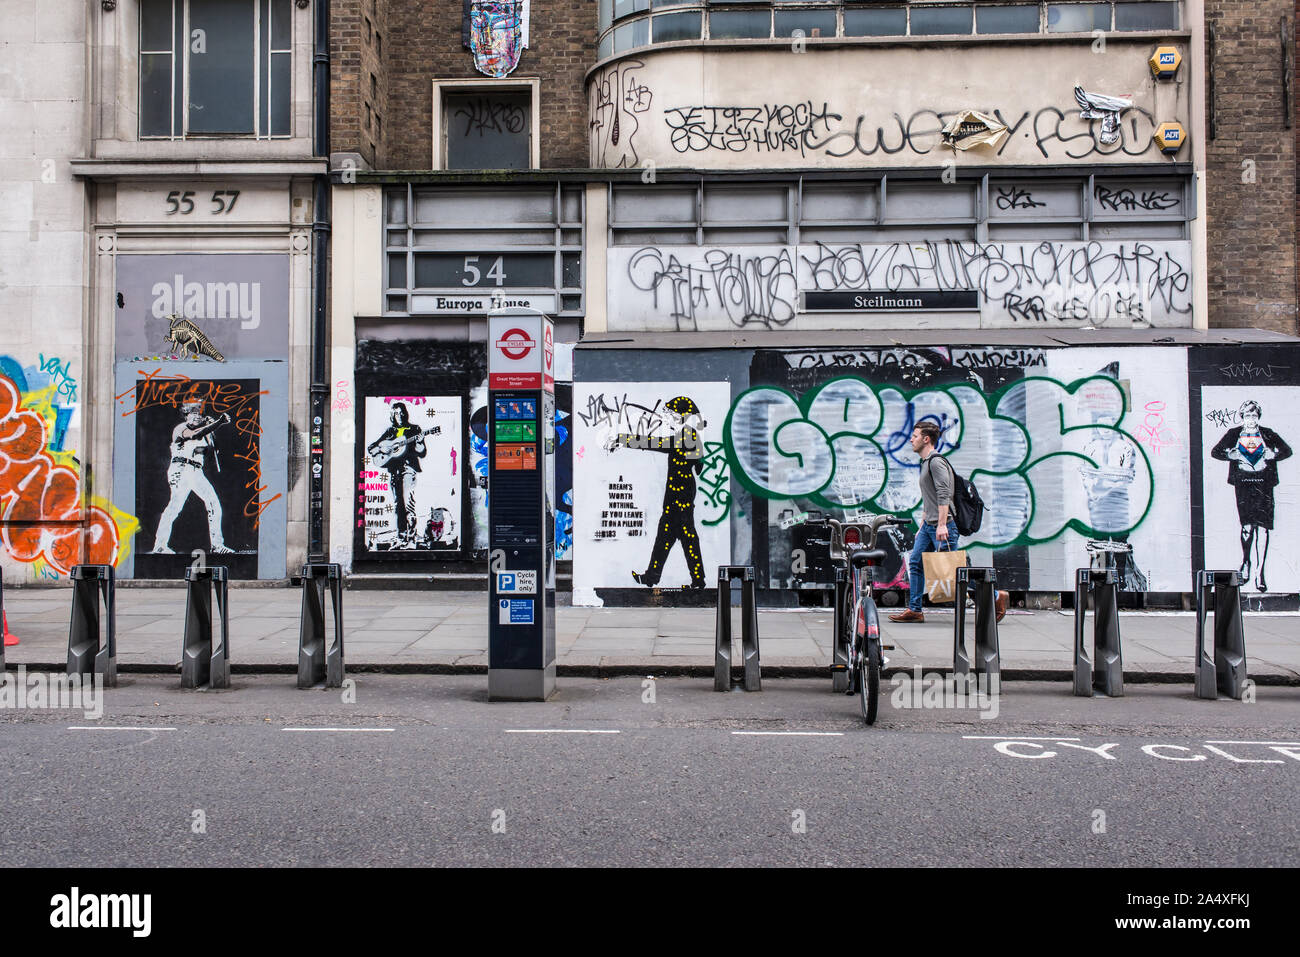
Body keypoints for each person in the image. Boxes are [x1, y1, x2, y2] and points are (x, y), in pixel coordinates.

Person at [889, 420, 1008, 623]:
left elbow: (944, 494)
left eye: (915, 436)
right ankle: (915, 610)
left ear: (926, 439)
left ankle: (996, 597)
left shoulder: (936, 462)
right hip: (929, 527)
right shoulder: (925, 462)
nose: (911, 439)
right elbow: (930, 498)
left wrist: (942, 524)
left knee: (952, 572)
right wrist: (923, 525)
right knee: (916, 562)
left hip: (944, 526)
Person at [606, 395, 707, 589]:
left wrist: (622, 439)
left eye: (669, 414)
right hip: (677, 499)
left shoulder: (687, 435)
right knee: (667, 538)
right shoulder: (688, 435)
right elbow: (696, 460)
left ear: (680, 416)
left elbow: (655, 443)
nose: (666, 417)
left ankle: (695, 580)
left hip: (681, 499)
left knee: (685, 539)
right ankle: (654, 577)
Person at [1211, 399, 1292, 592]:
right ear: (1242, 417)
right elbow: (1216, 451)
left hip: (1264, 484)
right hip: (1243, 484)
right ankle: (1246, 562)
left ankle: (1259, 571)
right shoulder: (1234, 434)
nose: (1251, 419)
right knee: (1247, 527)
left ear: (1258, 417)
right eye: (1247, 416)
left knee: (1263, 529)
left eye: (1254, 416)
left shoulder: (1268, 434)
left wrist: (1273, 454)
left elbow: (1286, 451)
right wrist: (1230, 455)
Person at [151, 401, 233, 554]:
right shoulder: (181, 428)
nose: (197, 416)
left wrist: (213, 427)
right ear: (186, 415)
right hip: (181, 469)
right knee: (174, 507)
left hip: (196, 471)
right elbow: (194, 434)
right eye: (193, 413)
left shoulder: (204, 432)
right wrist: (218, 422)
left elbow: (211, 449)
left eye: (199, 414)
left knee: (213, 503)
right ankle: (160, 546)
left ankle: (217, 545)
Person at [367, 402, 427, 546]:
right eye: (396, 413)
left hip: (408, 469)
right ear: (392, 415)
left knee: (408, 503)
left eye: (401, 412)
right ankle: (401, 537)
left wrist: (419, 443)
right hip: (394, 471)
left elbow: (422, 452)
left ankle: (411, 537)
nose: (399, 416)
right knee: (398, 504)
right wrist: (381, 450)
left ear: (405, 413)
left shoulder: (414, 429)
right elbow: (372, 447)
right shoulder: (390, 431)